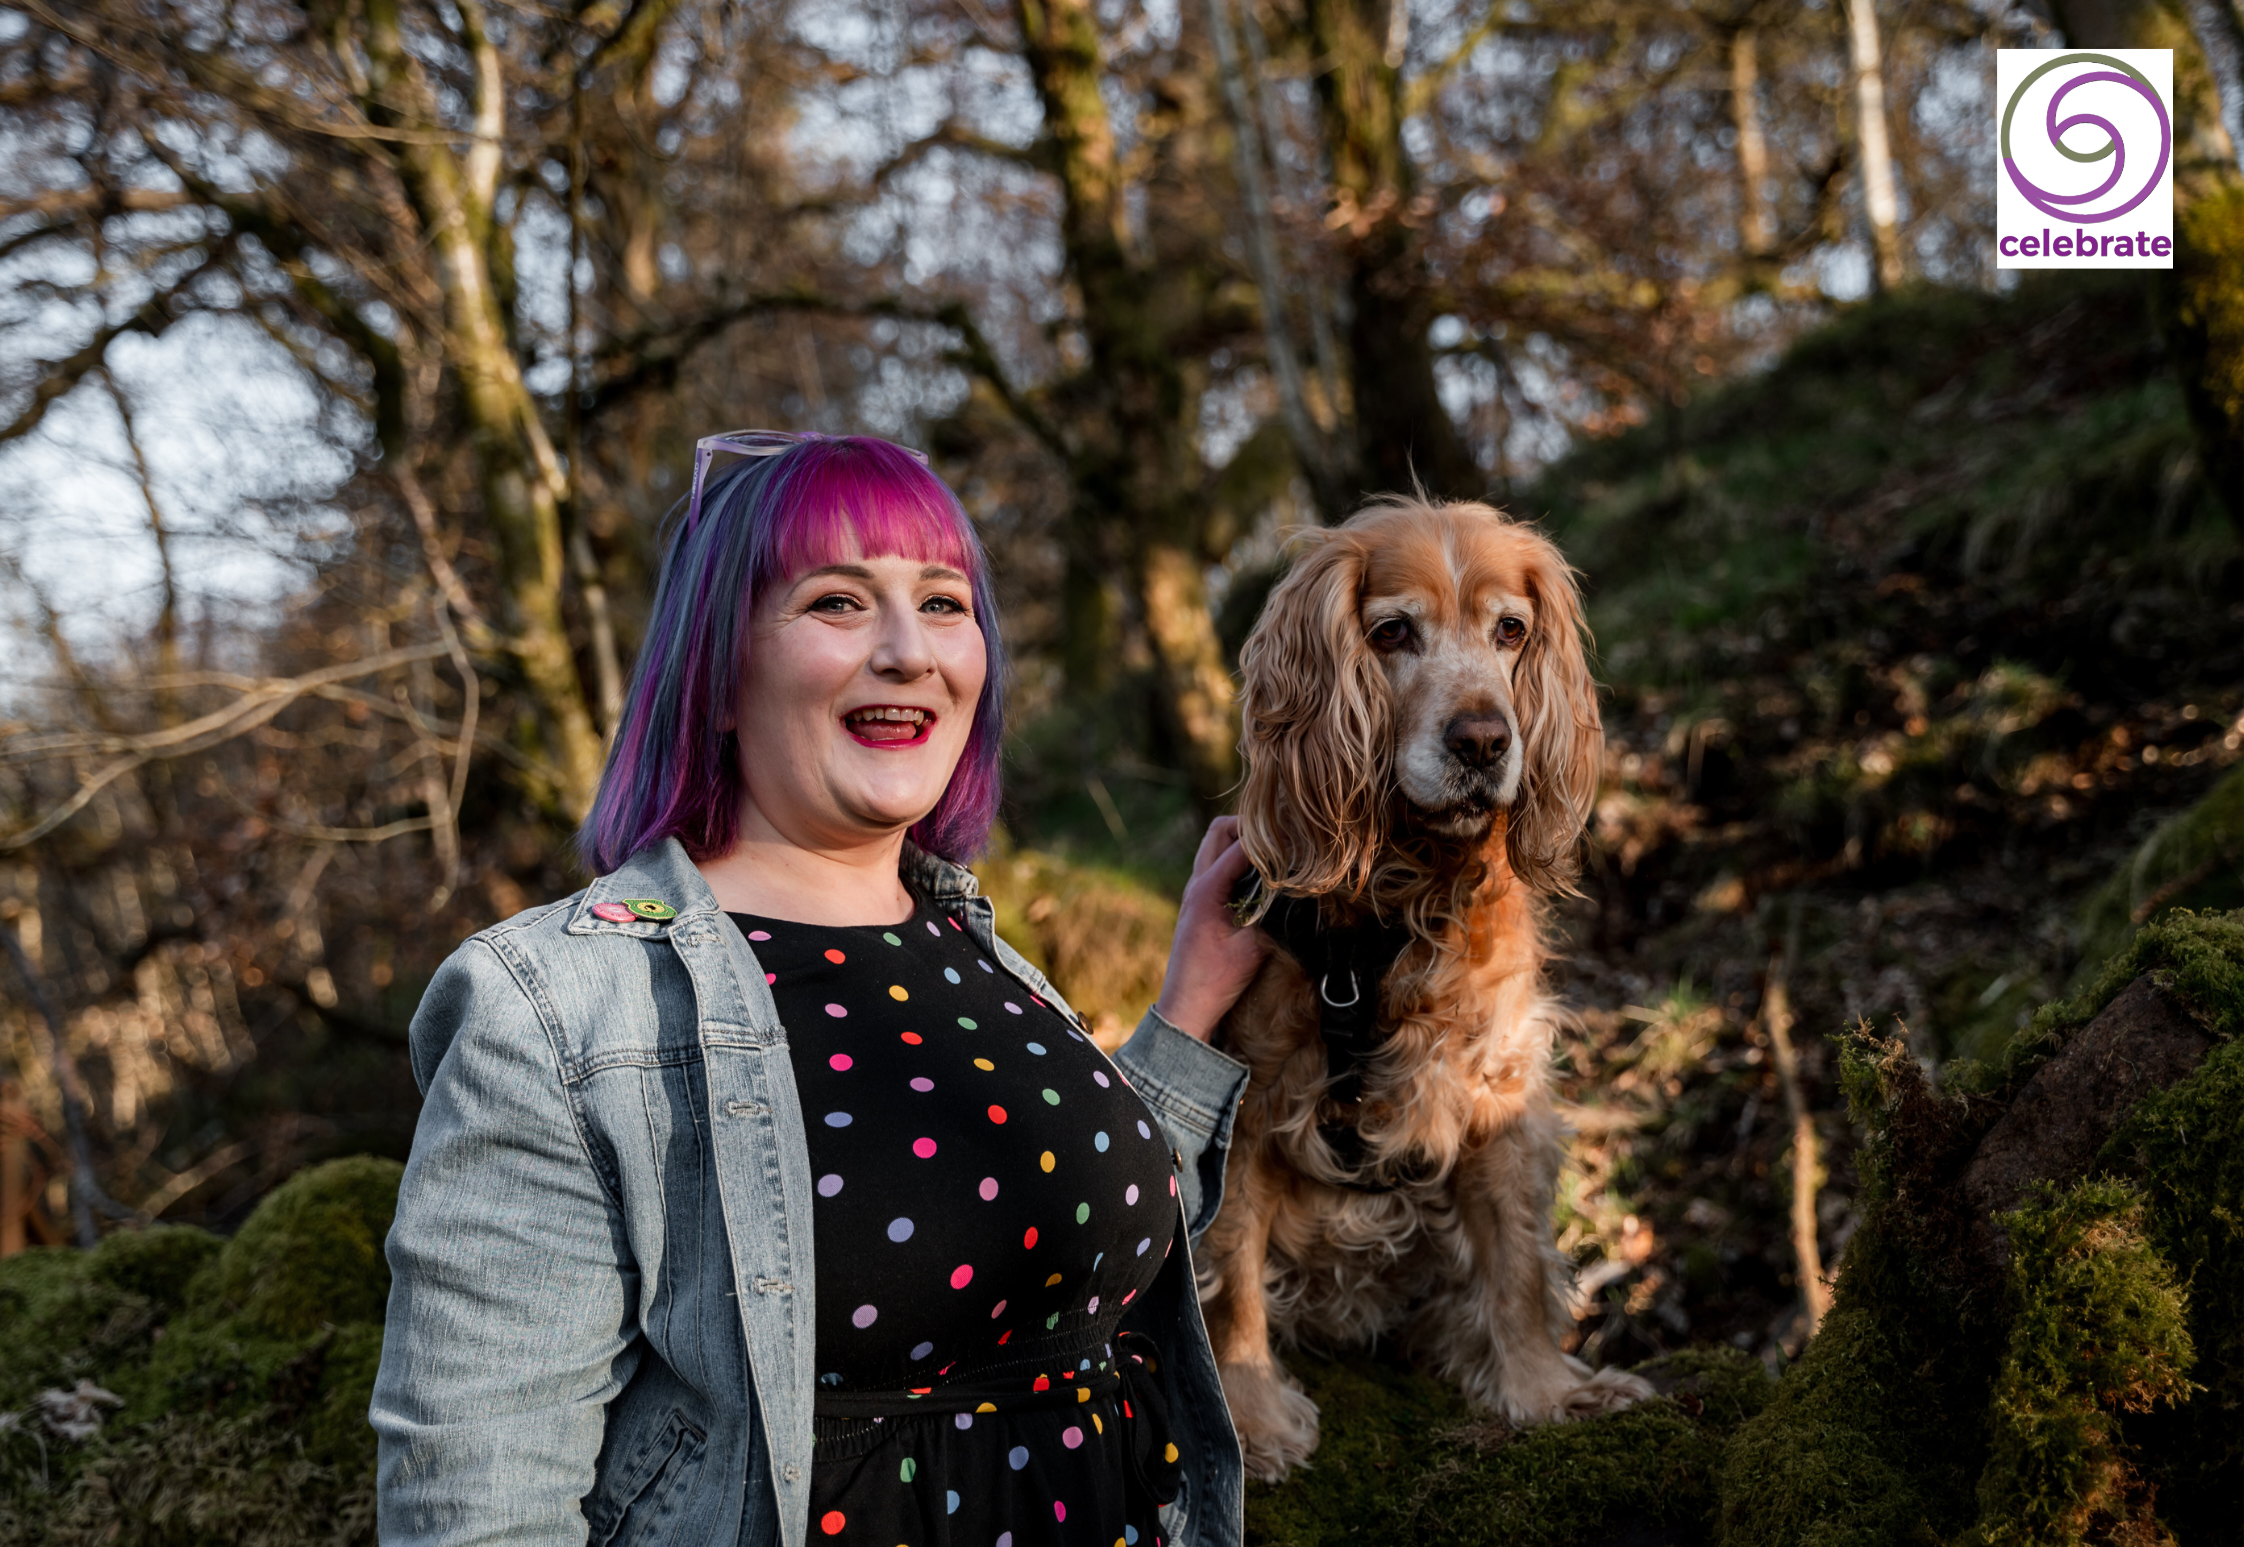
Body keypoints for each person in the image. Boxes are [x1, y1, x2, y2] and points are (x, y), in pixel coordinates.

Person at [371, 432, 1268, 1547]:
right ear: (717, 675)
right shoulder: (554, 1009)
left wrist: (1186, 1009)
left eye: (943, 603)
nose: (908, 650)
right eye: (838, 602)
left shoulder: (980, 955)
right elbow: (478, 1504)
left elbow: (1065, 1239)